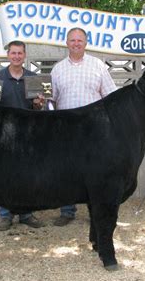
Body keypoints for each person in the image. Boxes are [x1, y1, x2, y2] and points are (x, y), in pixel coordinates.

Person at [50, 27, 117, 226]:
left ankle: (95, 211)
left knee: (95, 171)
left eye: (80, 40)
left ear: (86, 43)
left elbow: (112, 97)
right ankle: (67, 211)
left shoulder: (98, 66)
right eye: (72, 40)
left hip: (94, 130)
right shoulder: (57, 69)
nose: (76, 43)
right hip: (66, 130)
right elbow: (50, 99)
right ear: (67, 43)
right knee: (66, 170)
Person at [0, 40, 45, 231]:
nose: (16, 56)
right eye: (13, 53)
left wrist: (39, 103)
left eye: (20, 53)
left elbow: (38, 107)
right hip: (4, 135)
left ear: (24, 56)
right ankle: (5, 216)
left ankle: (26, 214)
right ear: (8, 55)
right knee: (3, 175)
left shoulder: (33, 78)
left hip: (27, 135)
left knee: (27, 175)